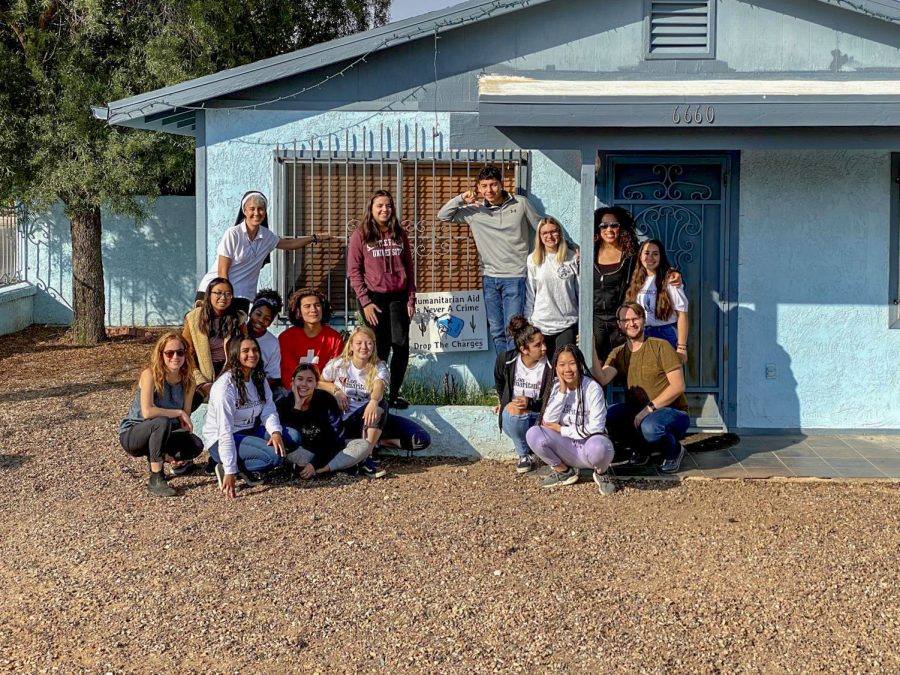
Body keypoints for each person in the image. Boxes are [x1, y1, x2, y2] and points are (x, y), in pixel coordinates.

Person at [438, 165, 541, 354]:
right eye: (484, 186)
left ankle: (513, 375)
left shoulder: (521, 203)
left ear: (501, 184)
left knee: (514, 331)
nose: (489, 190)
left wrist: (570, 247)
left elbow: (541, 227)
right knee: (496, 331)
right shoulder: (474, 211)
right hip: (489, 278)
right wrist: (461, 199)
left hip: (515, 277)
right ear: (478, 188)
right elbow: (443, 216)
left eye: (493, 185)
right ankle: (504, 375)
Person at [320, 327, 431, 478]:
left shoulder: (380, 366)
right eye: (359, 343)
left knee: (420, 439)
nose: (364, 347)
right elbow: (320, 382)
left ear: (374, 345)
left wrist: (372, 401)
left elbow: (379, 386)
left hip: (371, 419)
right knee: (381, 406)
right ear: (351, 345)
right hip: (348, 419)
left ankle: (373, 443)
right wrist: (336, 391)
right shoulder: (339, 364)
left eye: (369, 343)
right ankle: (366, 458)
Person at [196, 190, 332, 312]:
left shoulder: (266, 236)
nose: (256, 213)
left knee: (234, 338)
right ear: (244, 211)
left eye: (261, 209)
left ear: (265, 212)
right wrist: (225, 297)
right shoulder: (233, 234)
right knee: (205, 334)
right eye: (252, 209)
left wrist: (315, 238)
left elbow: (290, 244)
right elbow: (222, 272)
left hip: (242, 294)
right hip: (216, 293)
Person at [593, 302, 689, 473]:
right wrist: (591, 346)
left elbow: (678, 386)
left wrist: (649, 408)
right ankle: (643, 449)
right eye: (626, 320)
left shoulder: (661, 346)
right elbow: (602, 378)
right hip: (639, 412)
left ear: (643, 320)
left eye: (635, 318)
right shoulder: (618, 353)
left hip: (672, 411)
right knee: (609, 416)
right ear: (619, 324)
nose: (631, 323)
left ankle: (674, 451)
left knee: (650, 427)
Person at [347, 190, 416, 409]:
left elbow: (409, 268)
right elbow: (354, 271)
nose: (384, 210)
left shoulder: (399, 233)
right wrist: (365, 302)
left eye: (388, 206)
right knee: (379, 348)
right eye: (379, 206)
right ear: (371, 208)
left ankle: (393, 395)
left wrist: (411, 299)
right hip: (373, 298)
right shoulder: (361, 235)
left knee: (401, 346)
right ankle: (374, 396)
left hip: (398, 297)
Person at [592, 207, 683, 362]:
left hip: (623, 319)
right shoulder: (589, 252)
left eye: (614, 225)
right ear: (597, 228)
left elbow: (652, 263)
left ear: (621, 227)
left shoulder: (631, 253)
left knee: (627, 368)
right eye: (604, 226)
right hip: (596, 321)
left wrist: (672, 272)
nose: (609, 229)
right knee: (595, 367)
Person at [119, 332, 204, 497]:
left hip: (163, 431)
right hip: (133, 433)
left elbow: (184, 420)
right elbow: (147, 412)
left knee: (195, 445)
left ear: (186, 353)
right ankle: (156, 477)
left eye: (180, 352)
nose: (175, 357)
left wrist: (175, 451)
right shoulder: (150, 375)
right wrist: (178, 412)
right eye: (169, 353)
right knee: (161, 422)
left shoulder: (189, 381)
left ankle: (164, 456)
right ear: (161, 354)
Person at [525, 345, 616, 495]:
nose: (567, 369)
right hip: (567, 448)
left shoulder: (592, 388)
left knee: (600, 447)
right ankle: (564, 472)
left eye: (572, 363)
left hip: (589, 446)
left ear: (580, 364)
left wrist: (562, 429)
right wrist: (562, 391)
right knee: (534, 433)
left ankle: (601, 474)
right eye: (561, 365)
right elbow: (547, 421)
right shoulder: (555, 387)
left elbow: (596, 427)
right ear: (556, 367)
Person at [203, 336, 286, 498]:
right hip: (222, 439)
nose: (252, 354)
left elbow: (268, 409)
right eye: (245, 351)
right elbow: (225, 431)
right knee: (274, 457)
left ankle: (244, 463)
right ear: (235, 354)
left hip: (249, 430)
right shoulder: (225, 387)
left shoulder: (258, 378)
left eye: (255, 350)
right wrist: (230, 471)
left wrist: (275, 432)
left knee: (292, 438)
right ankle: (228, 466)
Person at [278, 364, 373, 478]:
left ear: (316, 384)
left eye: (309, 380)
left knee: (364, 445)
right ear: (292, 382)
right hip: (302, 452)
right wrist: (298, 406)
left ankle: (323, 469)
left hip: (327, 449)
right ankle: (339, 466)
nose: (304, 384)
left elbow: (336, 438)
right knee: (287, 451)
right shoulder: (284, 403)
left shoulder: (326, 400)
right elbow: (290, 439)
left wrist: (315, 464)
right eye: (300, 379)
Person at [494, 316, 551, 475]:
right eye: (537, 345)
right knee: (513, 410)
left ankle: (541, 451)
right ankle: (524, 455)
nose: (544, 348)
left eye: (544, 342)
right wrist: (503, 401)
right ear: (524, 349)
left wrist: (530, 402)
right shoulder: (506, 360)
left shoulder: (551, 364)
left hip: (541, 416)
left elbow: (553, 399)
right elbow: (499, 380)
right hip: (516, 418)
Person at [182, 277, 247, 410]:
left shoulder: (237, 320)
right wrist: (200, 382)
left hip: (228, 372)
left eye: (228, 294)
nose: (223, 297)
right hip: (200, 372)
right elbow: (187, 352)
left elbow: (245, 349)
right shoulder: (194, 318)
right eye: (218, 293)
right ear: (209, 295)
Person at [624, 239, 689, 363]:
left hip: (665, 335)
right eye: (646, 253)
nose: (650, 257)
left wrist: (681, 347)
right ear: (640, 256)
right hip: (641, 336)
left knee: (666, 379)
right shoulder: (636, 280)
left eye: (655, 254)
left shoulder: (670, 280)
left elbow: (682, 314)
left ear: (661, 257)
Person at [525, 215, 579, 358]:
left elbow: (580, 292)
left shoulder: (572, 257)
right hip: (541, 324)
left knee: (564, 364)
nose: (549, 236)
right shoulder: (533, 260)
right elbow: (530, 292)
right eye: (545, 233)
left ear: (560, 233)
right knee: (545, 369)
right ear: (539, 236)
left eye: (553, 231)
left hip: (567, 323)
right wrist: (528, 321)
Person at [278, 288, 344, 390]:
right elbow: (288, 373)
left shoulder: (335, 338)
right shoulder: (286, 338)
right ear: (298, 312)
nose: (313, 310)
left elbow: (337, 372)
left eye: (317, 305)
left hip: (324, 392)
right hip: (294, 391)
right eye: (307, 306)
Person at [247, 288, 284, 392]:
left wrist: (253, 389)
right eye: (258, 314)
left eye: (267, 319)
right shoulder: (237, 332)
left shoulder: (273, 343)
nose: (260, 320)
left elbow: (273, 376)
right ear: (251, 312)